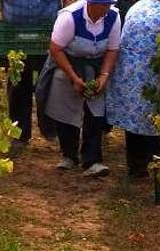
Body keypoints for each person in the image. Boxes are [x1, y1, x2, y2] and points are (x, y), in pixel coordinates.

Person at [45, 0, 122, 177]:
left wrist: (103, 76)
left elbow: (112, 50)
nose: (106, 9)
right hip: (68, 62)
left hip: (96, 65)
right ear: (91, 4)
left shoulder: (114, 17)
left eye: (108, 5)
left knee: (95, 109)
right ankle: (68, 156)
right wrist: (73, 77)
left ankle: (92, 160)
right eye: (103, 6)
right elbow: (56, 49)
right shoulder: (70, 17)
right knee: (65, 106)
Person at [106, 0, 160, 178]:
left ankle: (136, 166)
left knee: (134, 120)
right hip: (151, 74)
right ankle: (153, 163)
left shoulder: (139, 5)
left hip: (128, 71)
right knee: (156, 120)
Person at [1, 0, 61, 151]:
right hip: (14, 30)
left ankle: (51, 129)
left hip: (47, 30)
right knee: (18, 82)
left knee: (49, 80)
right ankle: (19, 133)